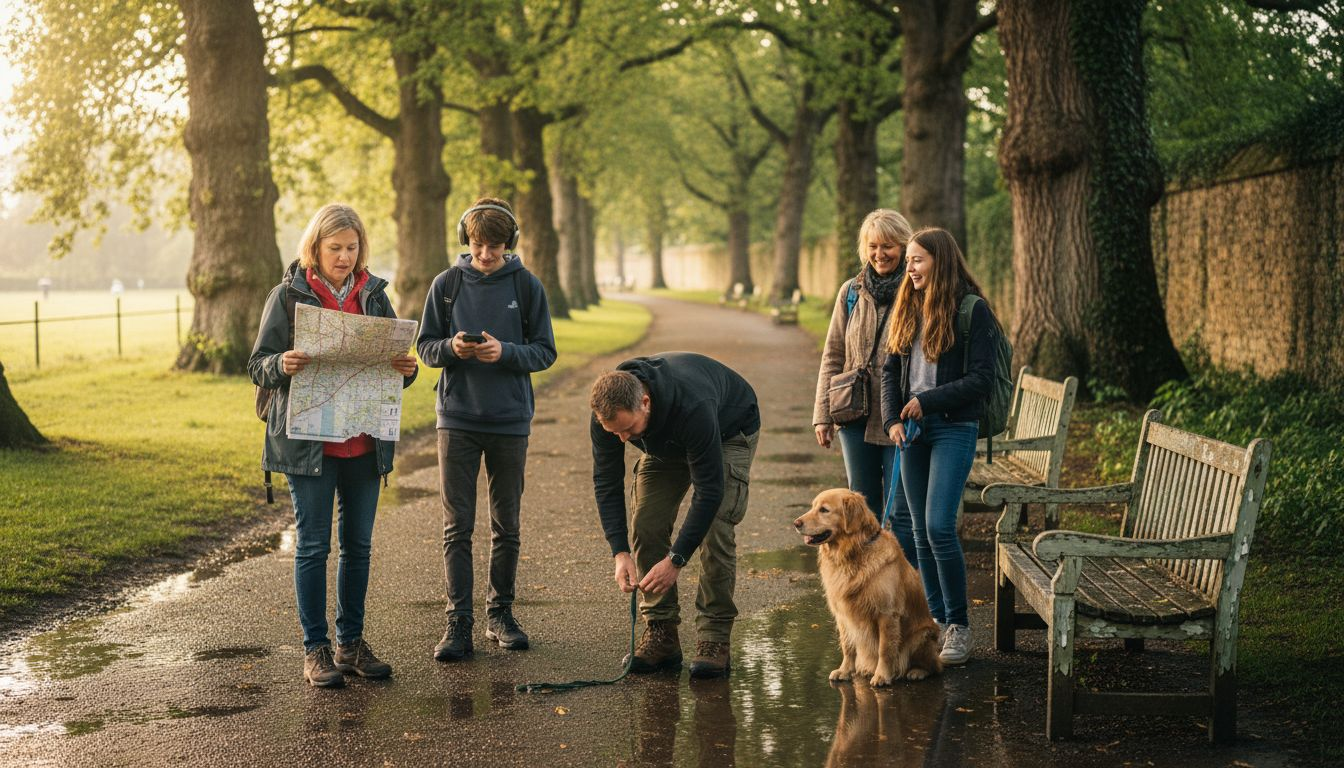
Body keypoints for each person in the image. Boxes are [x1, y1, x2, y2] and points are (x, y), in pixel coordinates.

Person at [248, 203, 418, 688]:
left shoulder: (375, 296)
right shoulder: (287, 296)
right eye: (335, 248)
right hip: (309, 446)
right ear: (315, 248)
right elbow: (258, 364)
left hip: (364, 444)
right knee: (313, 546)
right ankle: (315, 649)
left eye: (352, 247)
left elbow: (394, 370)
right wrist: (283, 363)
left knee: (359, 547)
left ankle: (350, 643)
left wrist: (407, 371)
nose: (344, 257)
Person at [417, 197, 556, 662]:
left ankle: (501, 614)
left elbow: (545, 351)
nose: (486, 255)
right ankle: (458, 622)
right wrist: (453, 348)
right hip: (456, 419)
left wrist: (507, 353)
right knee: (457, 526)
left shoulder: (528, 286)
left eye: (495, 246)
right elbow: (425, 348)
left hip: (510, 421)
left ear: (509, 243)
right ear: (466, 241)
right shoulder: (447, 285)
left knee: (506, 525)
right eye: (478, 246)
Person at [590, 353, 759, 679]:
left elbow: (709, 492)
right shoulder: (608, 415)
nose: (623, 439)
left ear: (646, 402)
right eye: (615, 433)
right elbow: (606, 480)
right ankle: (661, 632)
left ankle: (714, 638)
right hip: (665, 444)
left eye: (627, 429)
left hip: (727, 432)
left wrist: (676, 560)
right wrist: (619, 552)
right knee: (647, 521)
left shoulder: (692, 404)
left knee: (716, 527)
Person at [880, 228, 999, 666]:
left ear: (940, 261)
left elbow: (981, 380)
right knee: (914, 532)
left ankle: (960, 627)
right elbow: (890, 368)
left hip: (953, 428)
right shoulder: (906, 304)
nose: (908, 268)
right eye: (908, 260)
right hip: (911, 433)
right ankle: (935, 621)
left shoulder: (972, 310)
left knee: (938, 527)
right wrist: (892, 419)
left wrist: (925, 402)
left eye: (917, 260)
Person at [812, 208, 917, 564]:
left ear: (903, 247)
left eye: (888, 246)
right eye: (873, 246)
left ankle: (904, 590)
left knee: (901, 511)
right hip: (853, 414)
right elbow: (833, 354)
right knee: (860, 512)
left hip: (899, 415)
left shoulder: (918, 289)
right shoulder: (851, 292)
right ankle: (864, 586)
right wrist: (822, 416)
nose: (880, 254)